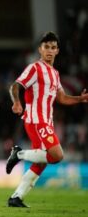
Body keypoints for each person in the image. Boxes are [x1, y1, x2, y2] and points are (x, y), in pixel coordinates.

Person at [7, 31, 88, 207]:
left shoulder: (55, 74)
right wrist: (16, 102)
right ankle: (19, 153)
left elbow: (62, 98)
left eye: (53, 47)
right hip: (36, 120)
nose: (49, 50)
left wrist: (79, 99)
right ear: (40, 49)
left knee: (42, 161)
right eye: (46, 47)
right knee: (57, 155)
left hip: (46, 120)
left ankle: (16, 197)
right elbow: (15, 85)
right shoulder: (34, 68)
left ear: (57, 50)